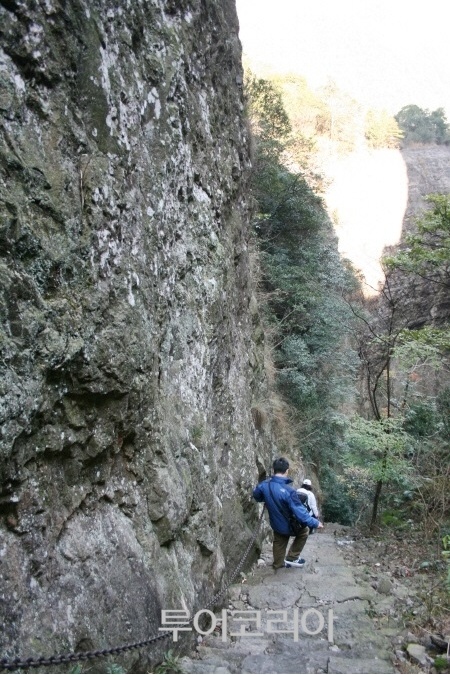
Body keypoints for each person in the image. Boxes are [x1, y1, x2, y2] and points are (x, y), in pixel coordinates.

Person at [253, 457, 323, 569]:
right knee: (304, 531)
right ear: (287, 471)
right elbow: (300, 512)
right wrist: (314, 522)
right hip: (289, 525)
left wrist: (266, 498)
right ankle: (292, 557)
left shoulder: (264, 485)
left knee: (279, 540)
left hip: (276, 524)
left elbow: (256, 496)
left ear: (274, 470)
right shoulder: (289, 491)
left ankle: (278, 564)